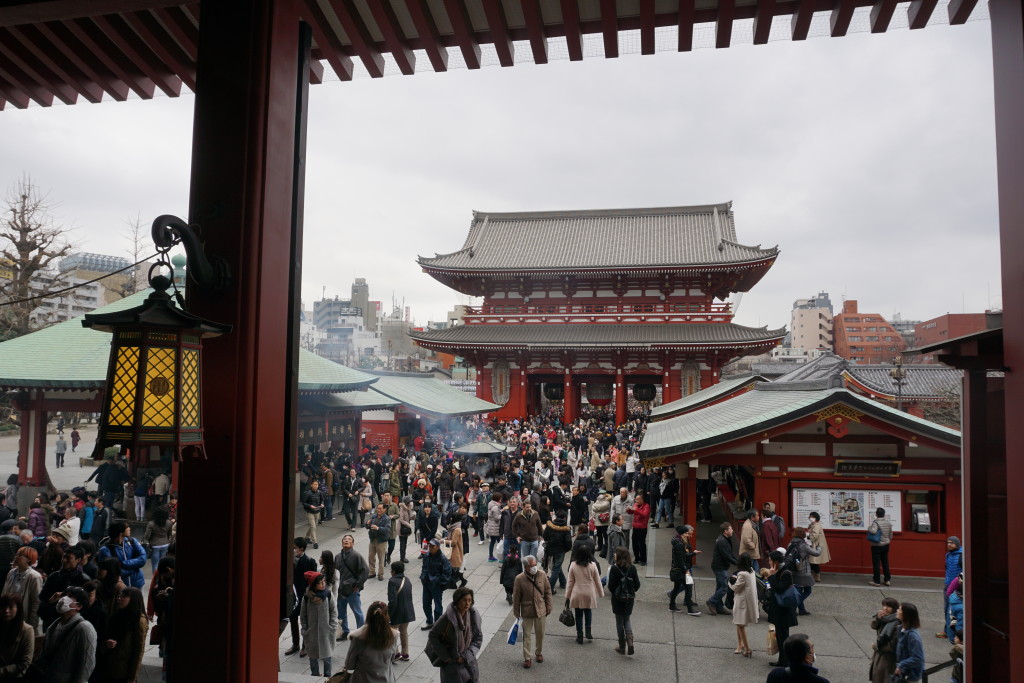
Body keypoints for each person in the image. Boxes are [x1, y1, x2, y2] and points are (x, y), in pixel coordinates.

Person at [37, 586, 98, 682]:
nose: (63, 598)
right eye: (64, 595)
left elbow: (87, 664)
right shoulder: (55, 624)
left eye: (70, 597)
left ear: (79, 606)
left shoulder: (85, 628)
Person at [425, 587, 483, 683]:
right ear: (457, 600)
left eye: (470, 600)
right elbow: (433, 635)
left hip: (468, 660)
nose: (467, 603)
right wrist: (446, 657)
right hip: (452, 662)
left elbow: (478, 638)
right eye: (464, 600)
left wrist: (466, 655)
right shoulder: (448, 617)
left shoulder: (473, 615)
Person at [93, 585, 148, 683]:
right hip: (109, 665)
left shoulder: (139, 621)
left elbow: (138, 652)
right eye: (119, 596)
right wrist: (106, 643)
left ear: (133, 600)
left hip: (123, 670)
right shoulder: (117, 615)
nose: (119, 599)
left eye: (124, 596)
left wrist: (132, 678)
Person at [340, 600, 399, 682]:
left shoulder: (357, 637)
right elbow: (392, 658)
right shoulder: (393, 635)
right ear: (386, 616)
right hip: (386, 679)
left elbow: (349, 664)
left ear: (368, 616)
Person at [512, 554, 553, 668]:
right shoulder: (519, 578)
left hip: (541, 609)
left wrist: (549, 606)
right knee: (527, 635)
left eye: (535, 565)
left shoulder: (542, 574)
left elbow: (548, 591)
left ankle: (539, 653)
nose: (534, 567)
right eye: (531, 565)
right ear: (525, 567)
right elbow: (516, 597)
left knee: (540, 634)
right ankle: (527, 658)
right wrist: (516, 612)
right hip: (527, 610)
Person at [300, 572, 338, 678]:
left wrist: (333, 626)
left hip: (326, 631)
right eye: (320, 583)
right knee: (313, 657)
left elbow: (334, 612)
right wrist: (304, 629)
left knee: (327, 657)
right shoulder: (307, 598)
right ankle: (315, 675)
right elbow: (303, 615)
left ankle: (327, 677)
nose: (323, 584)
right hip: (311, 633)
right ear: (314, 585)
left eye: (323, 582)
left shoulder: (328, 595)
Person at [766, 549, 799, 667]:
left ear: (775, 562)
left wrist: (771, 576)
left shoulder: (786, 572)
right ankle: (781, 661)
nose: (768, 562)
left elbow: (779, 588)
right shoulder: (780, 571)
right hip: (778, 610)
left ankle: (785, 662)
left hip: (784, 611)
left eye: (770, 560)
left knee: (783, 637)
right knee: (779, 637)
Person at [565, 545, 603, 644]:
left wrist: (567, 596)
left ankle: (580, 635)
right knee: (588, 612)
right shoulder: (593, 565)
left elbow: (570, 582)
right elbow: (597, 581)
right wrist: (600, 593)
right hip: (589, 592)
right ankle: (588, 632)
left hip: (577, 592)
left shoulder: (573, 565)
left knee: (578, 614)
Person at [607, 545, 640, 656]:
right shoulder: (632, 568)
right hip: (629, 599)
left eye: (615, 553)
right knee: (627, 619)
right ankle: (630, 641)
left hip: (617, 599)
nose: (614, 555)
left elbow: (611, 586)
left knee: (619, 620)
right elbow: (637, 585)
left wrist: (617, 593)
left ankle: (622, 646)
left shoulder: (614, 568)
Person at [286, 537, 317, 656]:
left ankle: (305, 646)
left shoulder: (310, 561)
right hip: (292, 595)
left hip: (304, 596)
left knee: (305, 622)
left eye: (294, 548)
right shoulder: (289, 560)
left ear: (301, 549)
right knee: (293, 619)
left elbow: (314, 580)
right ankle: (295, 644)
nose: (293, 550)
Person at [337, 533, 369, 641]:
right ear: (342, 543)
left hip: (352, 588)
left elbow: (365, 571)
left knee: (357, 612)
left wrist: (358, 585)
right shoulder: (338, 556)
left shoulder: (357, 556)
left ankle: (361, 632)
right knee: (341, 613)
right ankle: (344, 631)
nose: (346, 540)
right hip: (341, 588)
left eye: (349, 539)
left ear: (353, 543)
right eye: (344, 539)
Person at [97, 521, 147, 589]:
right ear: (120, 533)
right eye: (127, 527)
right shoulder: (106, 550)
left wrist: (123, 564)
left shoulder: (132, 541)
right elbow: (114, 572)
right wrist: (135, 567)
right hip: (119, 587)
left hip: (137, 583)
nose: (129, 528)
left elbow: (143, 559)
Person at [3, 546, 42, 630]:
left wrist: (32, 625)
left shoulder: (34, 577)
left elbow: (36, 603)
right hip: (8, 615)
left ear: (28, 559)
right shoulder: (11, 572)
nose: (16, 557)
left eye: (20, 555)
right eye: (17, 554)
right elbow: (4, 594)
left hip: (23, 618)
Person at [786, 527, 822, 616]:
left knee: (798, 591)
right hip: (804, 571)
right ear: (802, 534)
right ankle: (793, 606)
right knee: (807, 590)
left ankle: (802, 610)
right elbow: (816, 553)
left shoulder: (791, 543)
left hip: (793, 570)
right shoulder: (803, 544)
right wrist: (819, 548)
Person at [668, 525, 701, 616]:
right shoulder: (679, 544)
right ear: (682, 534)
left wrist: (693, 554)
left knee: (677, 588)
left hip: (678, 570)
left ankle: (672, 606)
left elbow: (682, 556)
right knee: (689, 587)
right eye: (686, 533)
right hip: (681, 570)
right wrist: (686, 570)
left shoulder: (678, 542)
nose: (688, 535)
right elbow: (680, 559)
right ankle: (690, 609)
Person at [706, 522, 738, 616]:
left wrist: (738, 561)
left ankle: (719, 607)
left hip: (720, 566)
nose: (732, 530)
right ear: (725, 531)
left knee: (720, 586)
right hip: (719, 567)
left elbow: (730, 554)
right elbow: (727, 556)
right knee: (724, 587)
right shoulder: (722, 541)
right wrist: (738, 563)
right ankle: (712, 601)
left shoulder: (726, 539)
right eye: (731, 529)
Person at [729, 552, 757, 657]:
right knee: (739, 622)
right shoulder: (752, 571)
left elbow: (736, 588)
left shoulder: (742, 574)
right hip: (747, 601)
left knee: (740, 625)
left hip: (742, 602)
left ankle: (747, 647)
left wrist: (730, 582)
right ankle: (740, 645)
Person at [420, 538, 452, 630]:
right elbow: (424, 567)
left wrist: (440, 583)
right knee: (426, 604)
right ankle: (429, 621)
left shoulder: (443, 558)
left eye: (433, 546)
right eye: (429, 546)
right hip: (426, 583)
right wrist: (423, 577)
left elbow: (447, 573)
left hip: (436, 585)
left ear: (438, 547)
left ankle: (438, 624)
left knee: (438, 606)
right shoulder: (426, 556)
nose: (430, 548)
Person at [0, 593, 34, 678]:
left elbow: (25, 662)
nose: (6, 611)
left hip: (13, 676)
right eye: (3, 607)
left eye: (11, 607)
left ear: (18, 609)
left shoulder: (27, 630)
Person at [387, 561, 415, 662]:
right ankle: (405, 653)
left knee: (392, 633)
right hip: (407, 610)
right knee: (403, 632)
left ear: (393, 571)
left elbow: (392, 600)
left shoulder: (392, 581)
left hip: (397, 612)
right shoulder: (407, 580)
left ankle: (396, 653)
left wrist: (389, 613)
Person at [869, 597, 900, 683]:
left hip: (888, 659)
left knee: (883, 679)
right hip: (879, 656)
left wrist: (875, 646)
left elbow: (891, 646)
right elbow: (873, 626)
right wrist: (878, 618)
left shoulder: (896, 623)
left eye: (888, 606)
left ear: (894, 609)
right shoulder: (885, 618)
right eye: (884, 606)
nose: (885, 608)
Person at [893, 602, 925, 682]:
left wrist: (901, 665)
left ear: (905, 614)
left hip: (910, 675)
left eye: (899, 609)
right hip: (902, 672)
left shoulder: (913, 636)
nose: (897, 610)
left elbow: (917, 658)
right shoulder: (901, 628)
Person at [542, 512, 571, 595]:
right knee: (556, 568)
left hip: (550, 549)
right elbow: (568, 542)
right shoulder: (566, 529)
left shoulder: (550, 526)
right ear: (565, 518)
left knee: (557, 566)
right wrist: (566, 549)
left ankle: (563, 582)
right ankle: (550, 588)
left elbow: (545, 536)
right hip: (560, 550)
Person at [940, 537, 963, 640]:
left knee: (953, 610)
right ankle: (947, 631)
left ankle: (955, 634)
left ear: (957, 544)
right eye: (948, 543)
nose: (949, 545)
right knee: (946, 609)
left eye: (952, 543)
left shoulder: (961, 556)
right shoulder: (948, 555)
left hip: (957, 587)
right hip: (948, 585)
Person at [143, 505, 174, 574]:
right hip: (165, 544)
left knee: (155, 564)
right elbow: (169, 534)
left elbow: (147, 536)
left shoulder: (151, 524)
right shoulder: (169, 523)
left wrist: (149, 540)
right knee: (163, 564)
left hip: (155, 545)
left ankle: (155, 578)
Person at [867, 507, 893, 587]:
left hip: (877, 546)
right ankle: (887, 580)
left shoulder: (876, 522)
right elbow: (891, 535)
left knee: (876, 563)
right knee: (885, 562)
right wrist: (886, 540)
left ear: (876, 514)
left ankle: (877, 581)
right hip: (886, 545)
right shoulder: (888, 523)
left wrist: (869, 528)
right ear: (884, 514)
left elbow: (874, 531)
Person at [366, 503, 391, 582]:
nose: (379, 510)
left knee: (381, 558)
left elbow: (387, 530)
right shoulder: (373, 516)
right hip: (372, 540)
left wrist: (378, 528)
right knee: (371, 557)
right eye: (378, 508)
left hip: (381, 541)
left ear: (384, 509)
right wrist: (367, 524)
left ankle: (380, 574)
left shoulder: (386, 519)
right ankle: (372, 572)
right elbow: (367, 526)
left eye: (380, 508)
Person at [445, 511, 468, 589]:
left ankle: (455, 583)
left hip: (455, 551)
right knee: (454, 568)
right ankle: (459, 581)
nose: (451, 518)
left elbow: (454, 542)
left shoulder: (457, 529)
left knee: (453, 568)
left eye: (452, 517)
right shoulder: (454, 527)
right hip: (454, 551)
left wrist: (443, 541)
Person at [805, 512, 830, 582]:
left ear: (815, 518)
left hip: (815, 545)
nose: (810, 518)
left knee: (814, 561)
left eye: (811, 517)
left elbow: (815, 535)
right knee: (813, 561)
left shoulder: (816, 525)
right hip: (814, 545)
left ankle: (816, 576)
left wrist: (807, 535)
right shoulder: (813, 525)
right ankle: (814, 575)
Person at [627, 492, 650, 566]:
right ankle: (637, 558)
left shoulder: (646, 506)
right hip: (635, 527)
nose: (636, 501)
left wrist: (636, 510)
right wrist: (629, 509)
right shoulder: (635, 505)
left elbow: (645, 515)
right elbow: (631, 512)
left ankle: (643, 559)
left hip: (642, 527)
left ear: (642, 499)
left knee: (641, 544)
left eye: (638, 499)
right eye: (636, 499)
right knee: (634, 543)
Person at [301, 479, 325, 550]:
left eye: (316, 484)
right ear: (311, 485)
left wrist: (322, 504)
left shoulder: (320, 492)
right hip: (310, 512)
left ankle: (307, 537)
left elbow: (322, 500)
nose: (315, 486)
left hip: (317, 511)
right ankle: (315, 542)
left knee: (313, 526)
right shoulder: (308, 493)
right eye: (314, 484)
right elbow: (304, 502)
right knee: (313, 526)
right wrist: (310, 506)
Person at [484, 493, 503, 562]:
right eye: (500, 498)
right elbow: (496, 518)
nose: (501, 499)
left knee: (492, 542)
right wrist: (502, 514)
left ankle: (491, 556)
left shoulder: (491, 504)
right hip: (495, 527)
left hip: (491, 527)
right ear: (498, 498)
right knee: (500, 543)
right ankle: (501, 557)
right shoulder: (495, 507)